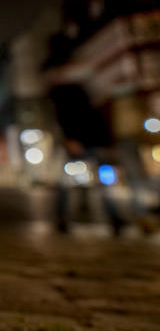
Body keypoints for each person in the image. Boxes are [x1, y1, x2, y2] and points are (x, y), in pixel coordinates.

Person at [49, 82, 124, 235]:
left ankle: (62, 218)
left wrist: (71, 139)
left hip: (87, 146)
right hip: (87, 146)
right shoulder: (81, 103)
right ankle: (113, 218)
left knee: (71, 185)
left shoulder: (67, 104)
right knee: (96, 184)